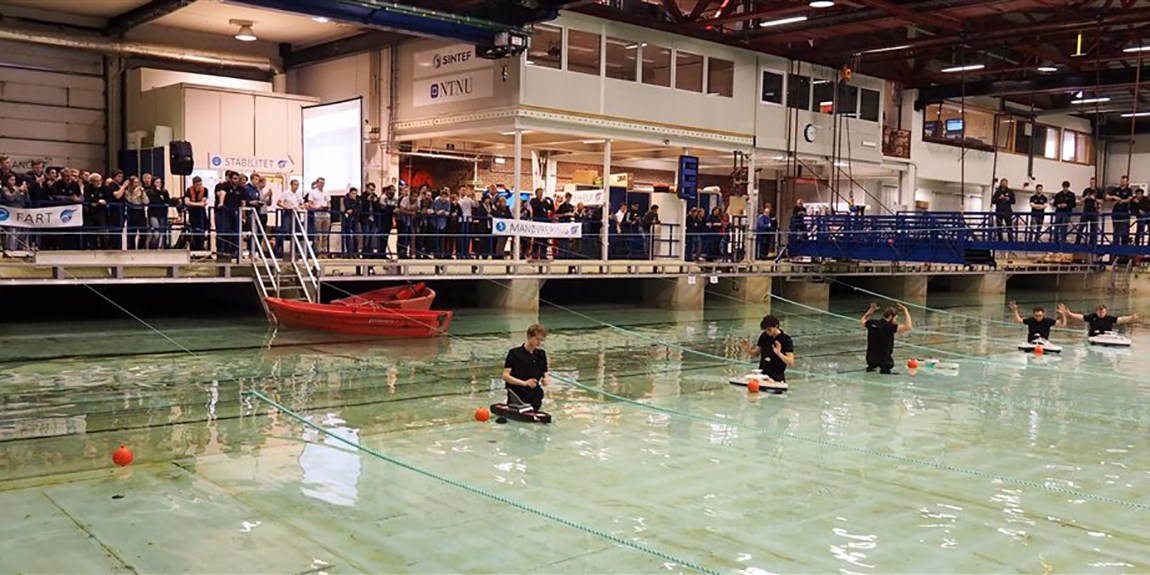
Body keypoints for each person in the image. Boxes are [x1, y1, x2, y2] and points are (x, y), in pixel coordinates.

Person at [502, 324, 550, 411]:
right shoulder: (514, 353)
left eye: (541, 340)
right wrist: (524, 383)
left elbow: (544, 371)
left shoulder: (541, 354)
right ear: (529, 337)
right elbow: (505, 376)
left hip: (534, 393)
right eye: (537, 339)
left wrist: (546, 378)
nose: (539, 343)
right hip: (517, 391)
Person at [739, 315, 795, 383]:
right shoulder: (764, 336)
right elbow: (755, 354)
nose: (767, 332)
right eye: (765, 330)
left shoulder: (785, 339)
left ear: (776, 326)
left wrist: (779, 354)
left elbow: (790, 362)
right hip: (762, 375)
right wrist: (747, 349)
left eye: (769, 330)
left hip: (777, 377)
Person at [860, 303, 912, 374]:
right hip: (885, 362)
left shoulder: (872, 323)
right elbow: (908, 327)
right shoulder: (890, 327)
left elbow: (862, 320)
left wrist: (869, 312)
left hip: (871, 360)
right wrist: (905, 311)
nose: (895, 321)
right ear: (890, 317)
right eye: (895, 318)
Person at [1058, 304, 1138, 337]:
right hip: (1094, 336)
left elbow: (1121, 319)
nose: (1101, 314)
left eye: (1103, 312)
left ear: (1105, 312)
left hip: (1106, 337)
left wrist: (1131, 317)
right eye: (1099, 312)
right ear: (1096, 311)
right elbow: (1081, 317)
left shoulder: (1109, 318)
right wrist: (1070, 314)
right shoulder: (1092, 317)